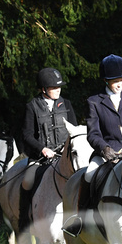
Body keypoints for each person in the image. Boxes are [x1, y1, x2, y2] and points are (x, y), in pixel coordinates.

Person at [62, 54, 122, 237]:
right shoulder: (94, 101)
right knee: (88, 175)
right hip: (106, 152)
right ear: (105, 80)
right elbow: (93, 133)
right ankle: (80, 220)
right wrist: (105, 149)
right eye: (115, 81)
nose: (119, 84)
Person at [19, 67, 77, 223]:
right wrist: (42, 149)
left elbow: (75, 131)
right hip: (41, 158)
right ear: (43, 89)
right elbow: (27, 135)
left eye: (59, 87)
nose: (58, 90)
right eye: (53, 88)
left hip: (64, 156)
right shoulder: (32, 106)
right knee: (27, 182)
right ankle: (24, 219)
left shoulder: (67, 104)